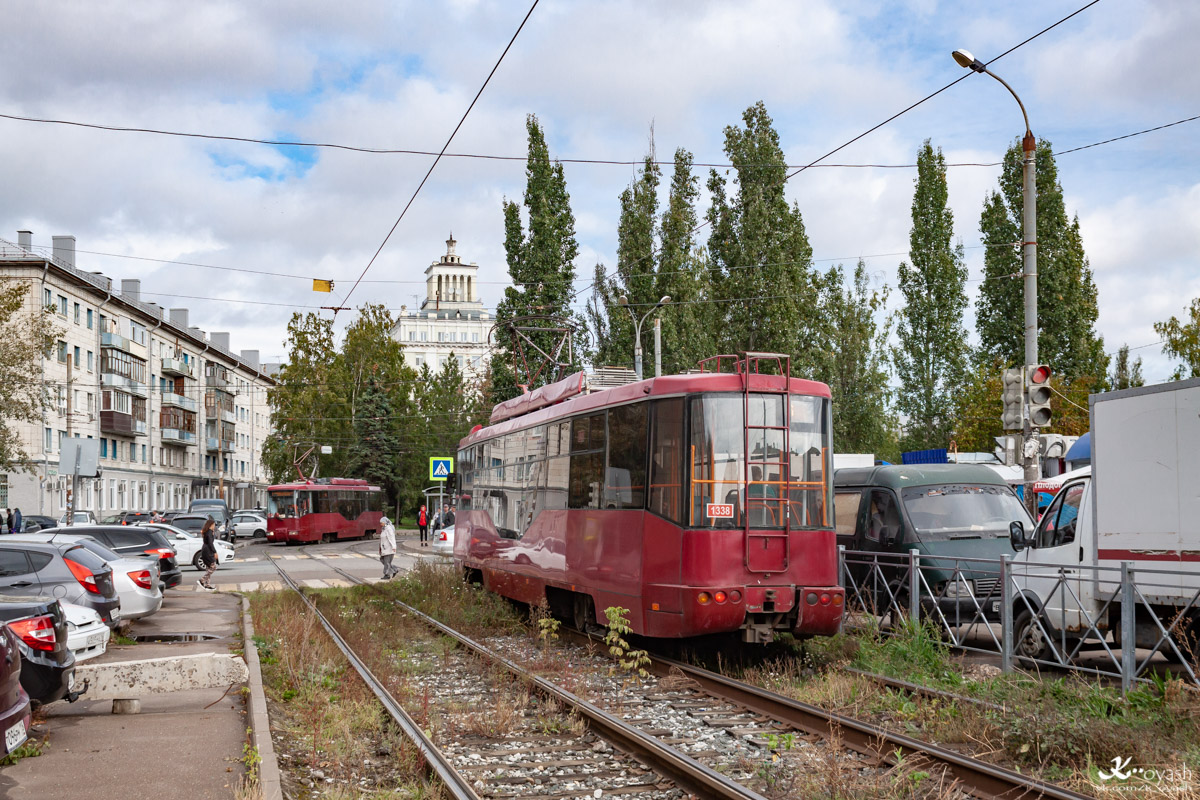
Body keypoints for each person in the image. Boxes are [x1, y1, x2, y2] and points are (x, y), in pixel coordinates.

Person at [196, 517, 219, 591]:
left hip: (206, 550)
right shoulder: (209, 532)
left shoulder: (208, 532)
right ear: (210, 525)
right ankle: (202, 580)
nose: (214, 526)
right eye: (214, 525)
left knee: (208, 568)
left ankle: (207, 585)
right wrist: (215, 552)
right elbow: (210, 543)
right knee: (213, 567)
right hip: (208, 551)